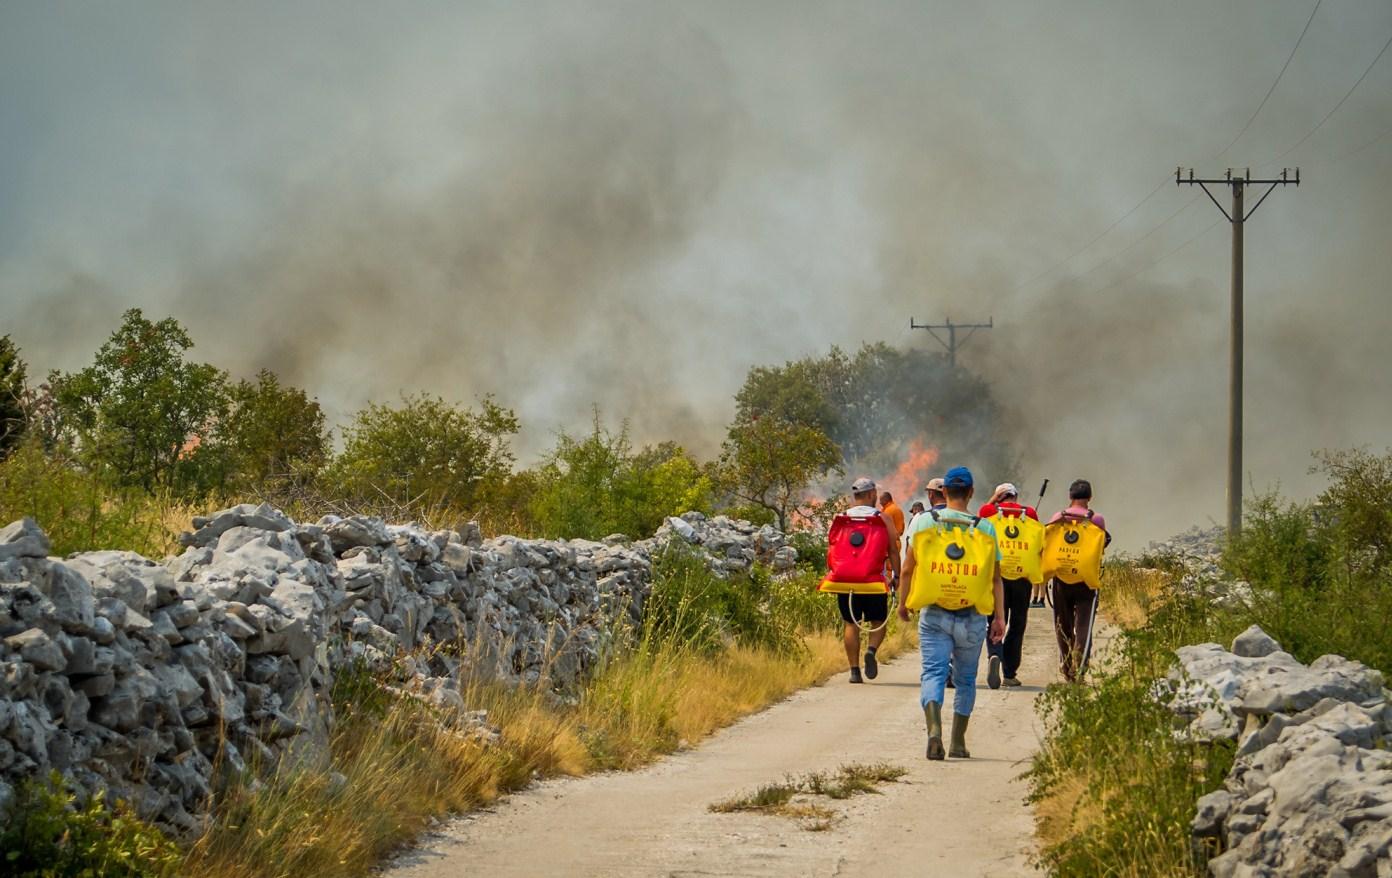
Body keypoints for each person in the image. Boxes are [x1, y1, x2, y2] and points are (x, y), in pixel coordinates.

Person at [898, 466, 1005, 760]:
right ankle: (958, 742)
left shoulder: (923, 522)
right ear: (971, 493)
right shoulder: (985, 528)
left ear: (943, 492)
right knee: (967, 679)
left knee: (933, 672)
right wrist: (999, 617)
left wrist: (903, 603)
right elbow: (996, 578)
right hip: (972, 616)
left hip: (934, 613)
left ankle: (934, 731)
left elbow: (907, 569)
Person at [831, 477, 900, 684]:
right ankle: (871, 651)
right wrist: (896, 575)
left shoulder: (842, 517)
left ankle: (854, 671)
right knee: (878, 622)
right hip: (872, 581)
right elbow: (893, 550)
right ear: (870, 494)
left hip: (846, 581)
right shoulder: (882, 518)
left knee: (850, 623)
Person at [1046, 479, 1110, 682]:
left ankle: (1066, 667)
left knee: (1062, 623)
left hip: (1061, 578)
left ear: (1070, 497)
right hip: (1086, 580)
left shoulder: (1058, 517)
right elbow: (1101, 545)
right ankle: (1079, 668)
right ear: (1090, 498)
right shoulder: (1096, 520)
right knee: (1083, 625)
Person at [978, 483, 1040, 688]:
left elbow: (979, 520)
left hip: (997, 576)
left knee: (995, 619)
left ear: (1000, 497)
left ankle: (995, 654)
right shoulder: (1029, 513)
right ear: (1015, 497)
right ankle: (1010, 672)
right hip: (1022, 578)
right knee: (1018, 624)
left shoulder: (990, 511)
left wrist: (992, 499)